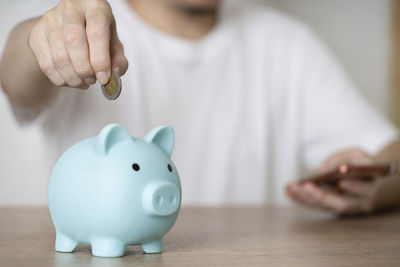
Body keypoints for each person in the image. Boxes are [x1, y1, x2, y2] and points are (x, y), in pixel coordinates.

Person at [1, 0, 399, 214]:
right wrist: (44, 38)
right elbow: (17, 79)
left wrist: (374, 189)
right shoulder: (84, 22)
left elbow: (391, 156)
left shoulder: (287, 44)